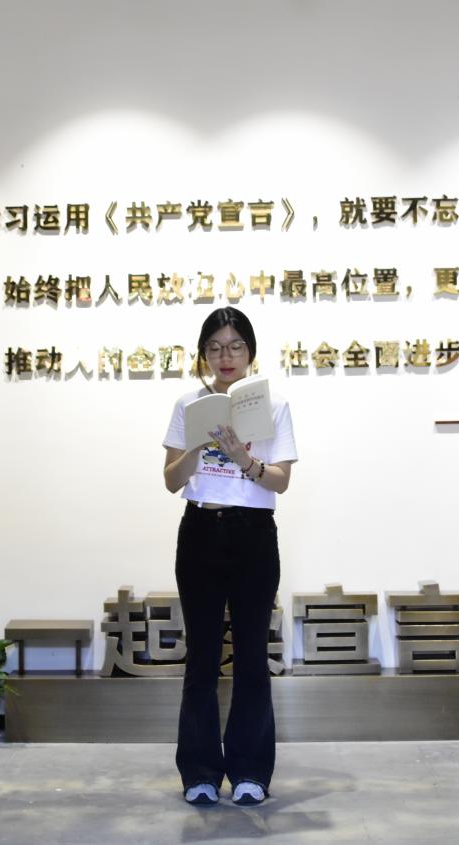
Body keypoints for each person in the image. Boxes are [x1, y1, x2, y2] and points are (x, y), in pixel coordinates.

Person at [162, 306, 297, 807]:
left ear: (250, 353)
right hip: (200, 529)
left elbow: (281, 481)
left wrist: (244, 458)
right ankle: (199, 772)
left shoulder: (274, 406)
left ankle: (250, 771)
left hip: (253, 534)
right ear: (203, 354)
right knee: (201, 657)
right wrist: (197, 447)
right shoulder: (188, 404)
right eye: (215, 347)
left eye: (235, 346)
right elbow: (171, 480)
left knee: (251, 657)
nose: (226, 356)